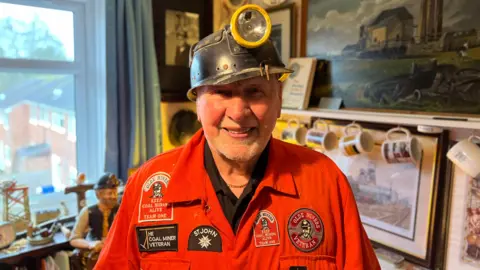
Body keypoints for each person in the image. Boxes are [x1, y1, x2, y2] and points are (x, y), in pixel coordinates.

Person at [95, 4, 380, 270]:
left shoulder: (325, 182)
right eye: (222, 92)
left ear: (279, 100)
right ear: (197, 103)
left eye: (255, 92)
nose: (239, 112)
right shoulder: (147, 187)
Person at [69, 173, 120, 270]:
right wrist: (90, 244)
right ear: (98, 194)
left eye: (115, 192)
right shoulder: (88, 212)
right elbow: (74, 239)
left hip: (115, 253)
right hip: (97, 254)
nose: (114, 197)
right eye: (110, 193)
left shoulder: (120, 209)